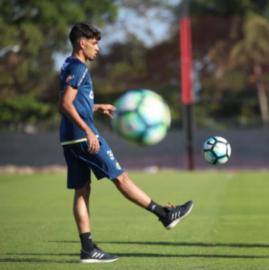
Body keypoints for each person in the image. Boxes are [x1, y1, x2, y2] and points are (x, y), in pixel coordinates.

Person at [58, 22, 193, 263]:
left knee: (82, 192)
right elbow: (65, 104)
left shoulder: (68, 65)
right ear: (82, 43)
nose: (98, 48)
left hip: (68, 139)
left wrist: (96, 107)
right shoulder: (79, 68)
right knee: (121, 177)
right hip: (82, 136)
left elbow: (72, 101)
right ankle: (165, 215)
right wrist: (89, 130)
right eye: (94, 43)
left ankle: (88, 249)